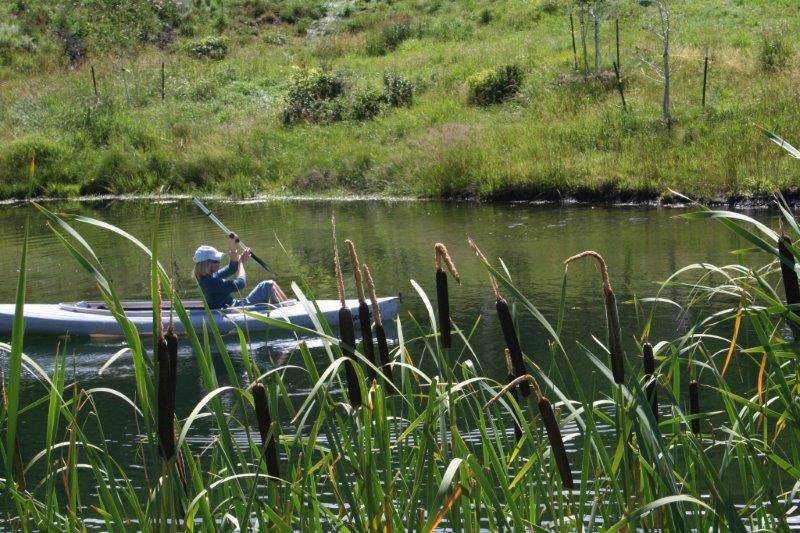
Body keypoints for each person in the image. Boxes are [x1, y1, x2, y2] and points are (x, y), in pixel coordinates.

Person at [193, 234, 287, 309]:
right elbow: (240, 284)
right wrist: (241, 263)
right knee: (267, 285)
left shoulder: (208, 278)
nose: (218, 263)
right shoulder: (211, 282)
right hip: (235, 309)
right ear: (206, 264)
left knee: (270, 284)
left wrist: (232, 247)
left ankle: (285, 306)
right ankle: (286, 310)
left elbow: (232, 268)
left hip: (234, 305)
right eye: (215, 261)